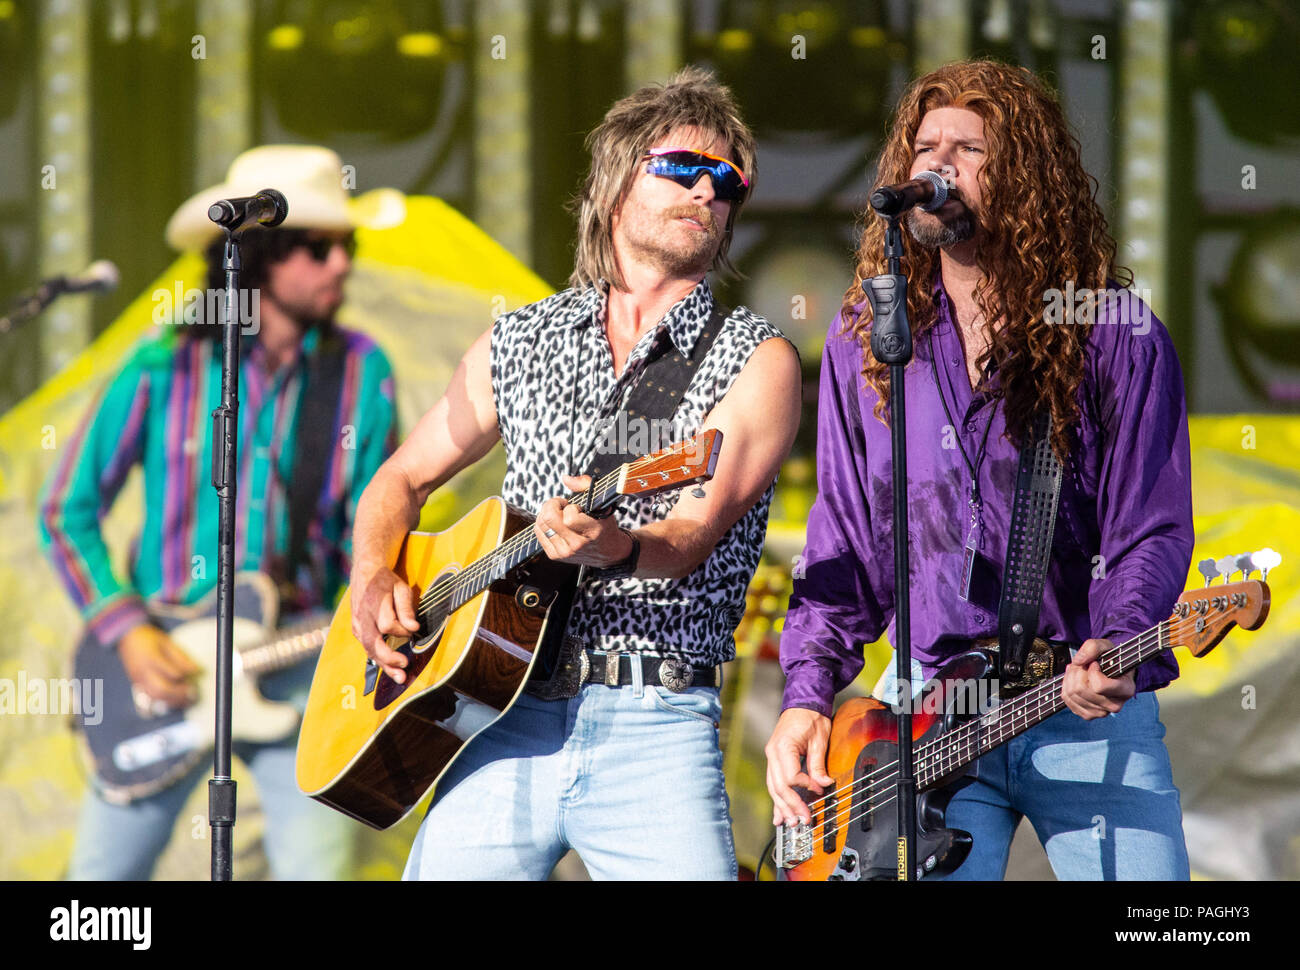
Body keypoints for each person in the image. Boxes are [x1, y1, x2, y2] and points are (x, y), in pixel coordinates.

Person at [349, 66, 801, 880]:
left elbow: (689, 533)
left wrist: (614, 546)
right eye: (682, 169)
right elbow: (399, 481)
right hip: (503, 714)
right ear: (617, 181)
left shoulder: (756, 358)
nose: (707, 191)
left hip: (655, 718)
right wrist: (373, 571)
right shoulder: (517, 341)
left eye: (726, 181)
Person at [765, 60, 1193, 880]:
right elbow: (846, 542)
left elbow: (1150, 526)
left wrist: (1120, 640)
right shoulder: (869, 340)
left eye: (969, 149)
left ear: (1028, 177)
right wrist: (806, 696)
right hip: (925, 713)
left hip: (1081, 704)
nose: (937, 166)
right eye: (926, 147)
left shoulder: (1111, 333)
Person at [39, 145, 397, 879]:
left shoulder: (365, 372)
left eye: (348, 247)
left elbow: (384, 523)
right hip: (162, 669)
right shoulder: (159, 364)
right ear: (260, 256)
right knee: (96, 900)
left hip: (299, 664)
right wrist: (127, 631)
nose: (342, 266)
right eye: (320, 247)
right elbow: (64, 509)